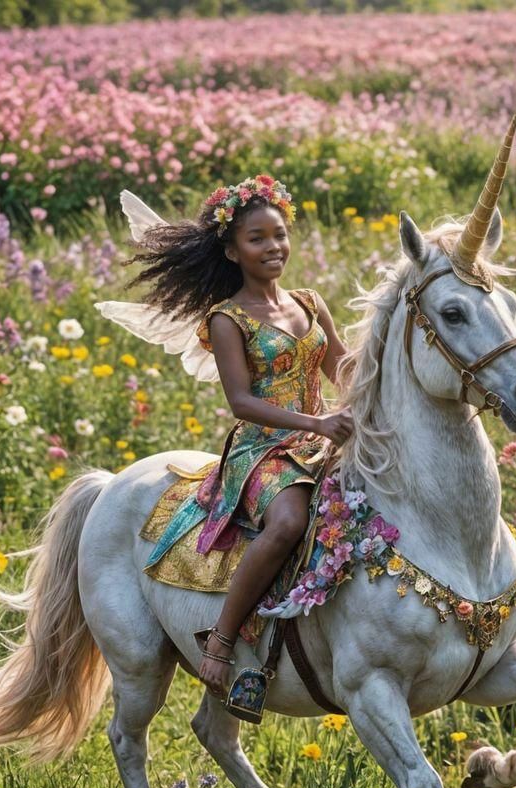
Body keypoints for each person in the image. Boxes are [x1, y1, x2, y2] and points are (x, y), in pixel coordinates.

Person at [121, 174, 353, 699]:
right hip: (263, 448)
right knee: (289, 520)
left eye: (279, 235)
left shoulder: (310, 303)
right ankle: (222, 639)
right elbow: (241, 401)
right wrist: (317, 423)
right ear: (232, 251)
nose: (273, 247)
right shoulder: (228, 319)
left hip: (323, 439)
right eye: (257, 239)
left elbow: (342, 367)